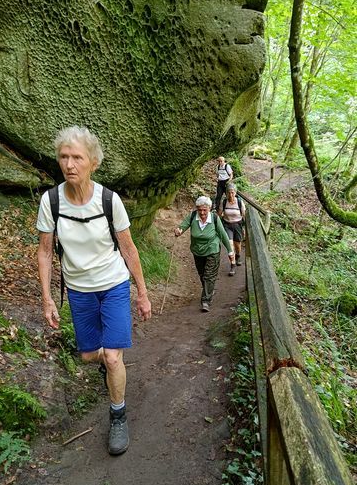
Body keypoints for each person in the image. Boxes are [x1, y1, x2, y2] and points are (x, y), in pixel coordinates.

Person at [36, 126, 151, 456]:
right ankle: (112, 362)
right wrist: (46, 299)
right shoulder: (52, 201)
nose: (69, 164)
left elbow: (129, 249)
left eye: (77, 157)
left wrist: (141, 293)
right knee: (90, 355)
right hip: (78, 290)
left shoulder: (108, 200)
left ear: (93, 162)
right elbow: (45, 251)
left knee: (113, 356)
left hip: (113, 285)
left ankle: (118, 416)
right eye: (64, 157)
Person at [174, 196, 234, 312]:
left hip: (212, 249)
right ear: (197, 209)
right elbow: (183, 226)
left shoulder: (214, 218)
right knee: (202, 274)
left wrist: (230, 251)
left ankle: (206, 301)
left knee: (209, 275)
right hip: (197, 251)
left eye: (204, 210)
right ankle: (209, 290)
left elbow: (223, 235)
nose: (202, 213)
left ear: (209, 209)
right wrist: (179, 230)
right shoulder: (193, 216)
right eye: (200, 210)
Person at [218, 183, 246, 276]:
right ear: (226, 193)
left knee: (237, 245)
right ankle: (232, 265)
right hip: (227, 225)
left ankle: (238, 256)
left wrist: (244, 228)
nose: (231, 195)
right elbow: (219, 213)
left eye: (232, 192)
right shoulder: (224, 202)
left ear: (235, 192)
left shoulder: (239, 202)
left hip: (237, 225)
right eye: (229, 193)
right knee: (230, 245)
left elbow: (244, 215)